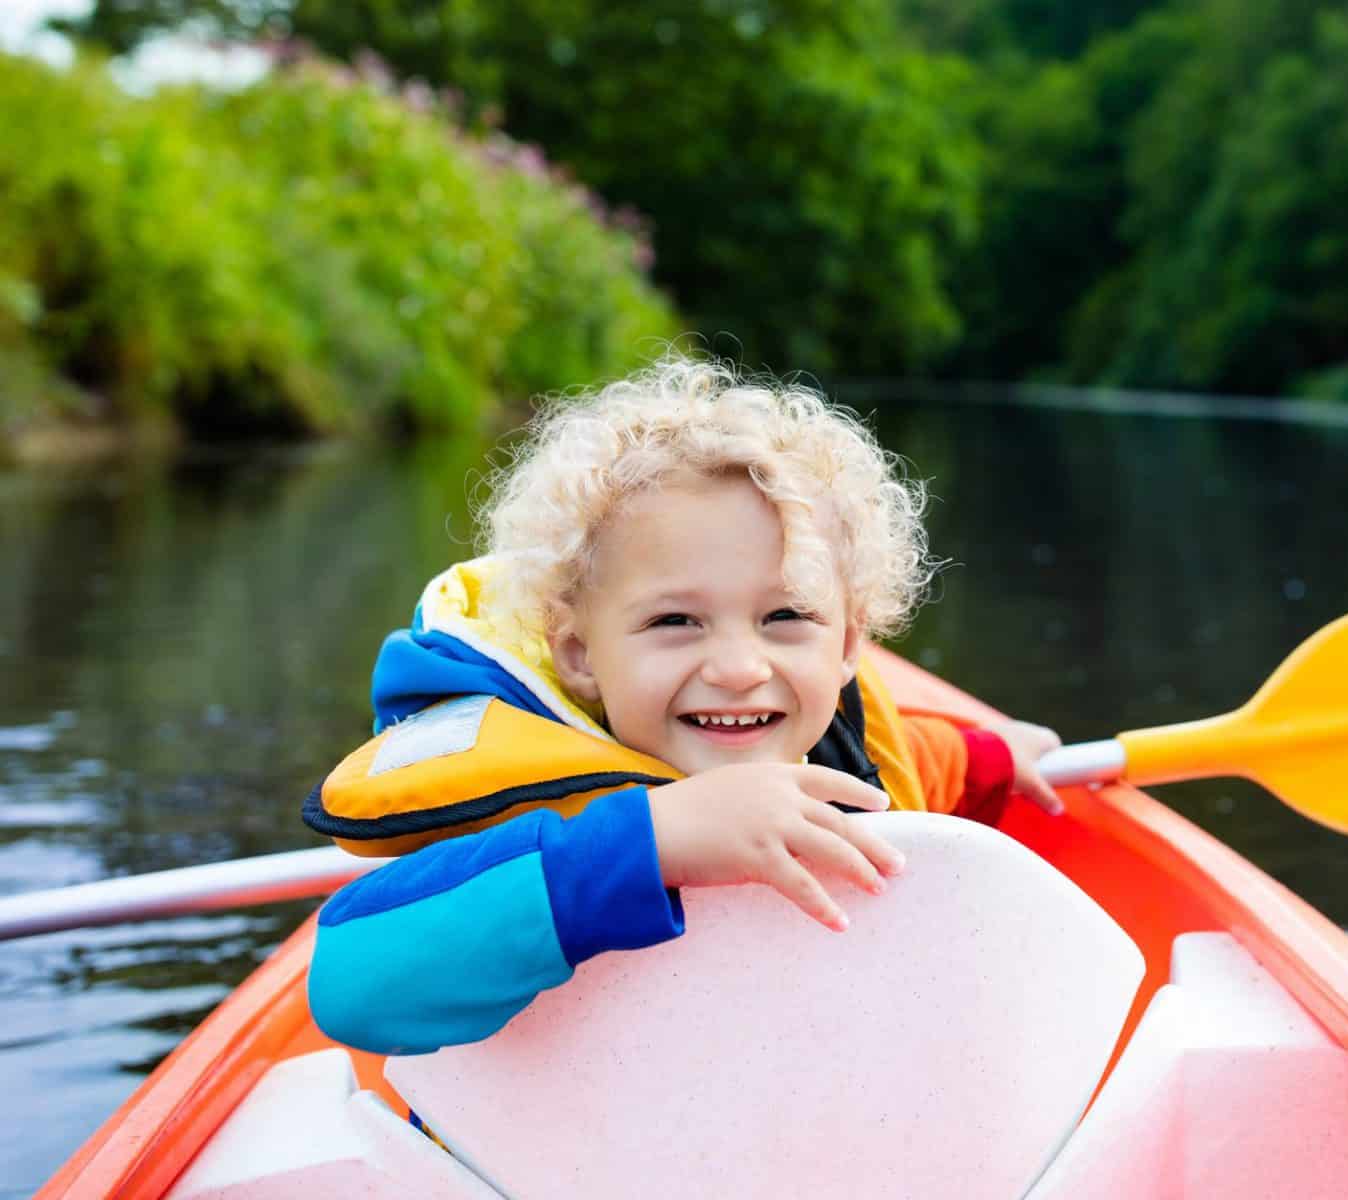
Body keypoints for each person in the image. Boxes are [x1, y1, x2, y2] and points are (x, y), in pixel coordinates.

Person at [303, 354, 1064, 1055]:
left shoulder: (836, 747)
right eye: (675, 622)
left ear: (845, 648)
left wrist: (997, 755)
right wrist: (656, 839)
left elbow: (921, 765)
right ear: (579, 654)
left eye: (786, 618)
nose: (738, 668)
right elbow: (350, 986)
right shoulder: (530, 810)